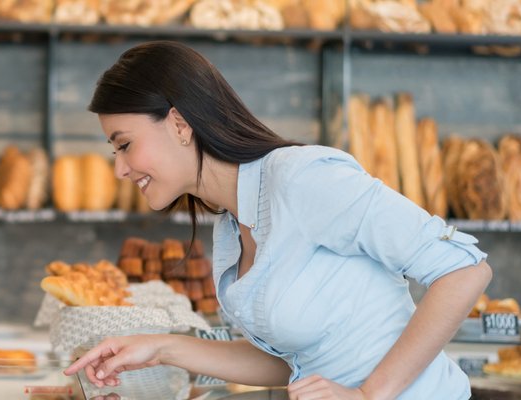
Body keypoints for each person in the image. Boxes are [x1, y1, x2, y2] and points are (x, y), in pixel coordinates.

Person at [63, 41, 492, 400]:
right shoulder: (230, 227)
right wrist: (160, 347)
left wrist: (368, 395)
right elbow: (290, 361)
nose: (119, 168)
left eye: (124, 145)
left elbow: (463, 269)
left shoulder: (302, 178)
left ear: (178, 124)